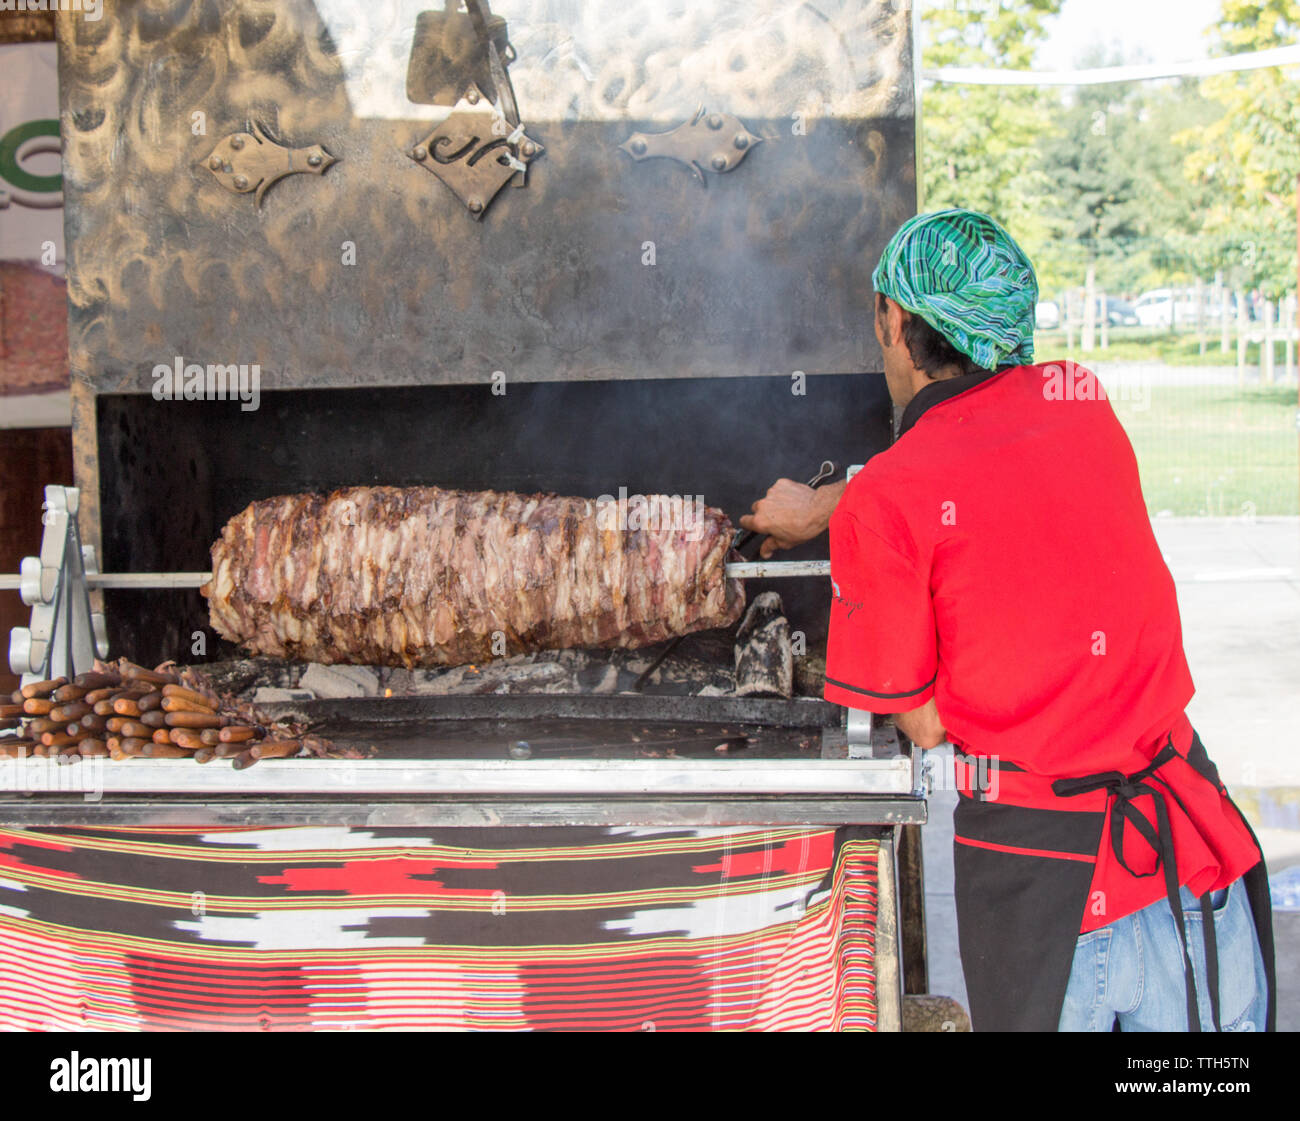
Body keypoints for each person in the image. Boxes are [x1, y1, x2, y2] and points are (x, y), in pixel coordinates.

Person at [740, 208, 1274, 1032]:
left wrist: (859, 535)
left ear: (895, 325)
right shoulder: (1084, 404)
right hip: (1192, 873)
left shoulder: (888, 501)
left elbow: (919, 722)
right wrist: (830, 510)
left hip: (1051, 903)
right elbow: (980, 460)